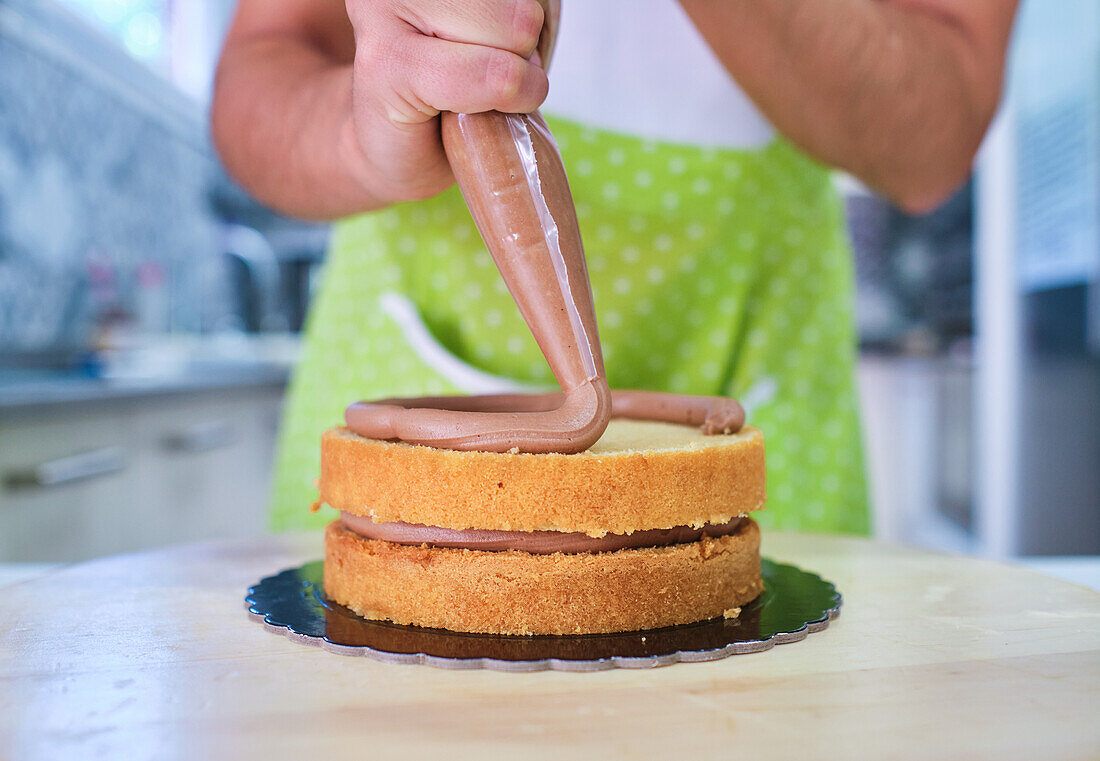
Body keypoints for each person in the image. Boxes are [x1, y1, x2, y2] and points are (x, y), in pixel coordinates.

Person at [212, 0, 1018, 533]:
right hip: (409, 453)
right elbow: (261, 63)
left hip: (760, 396)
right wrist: (360, 139)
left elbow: (931, 142)